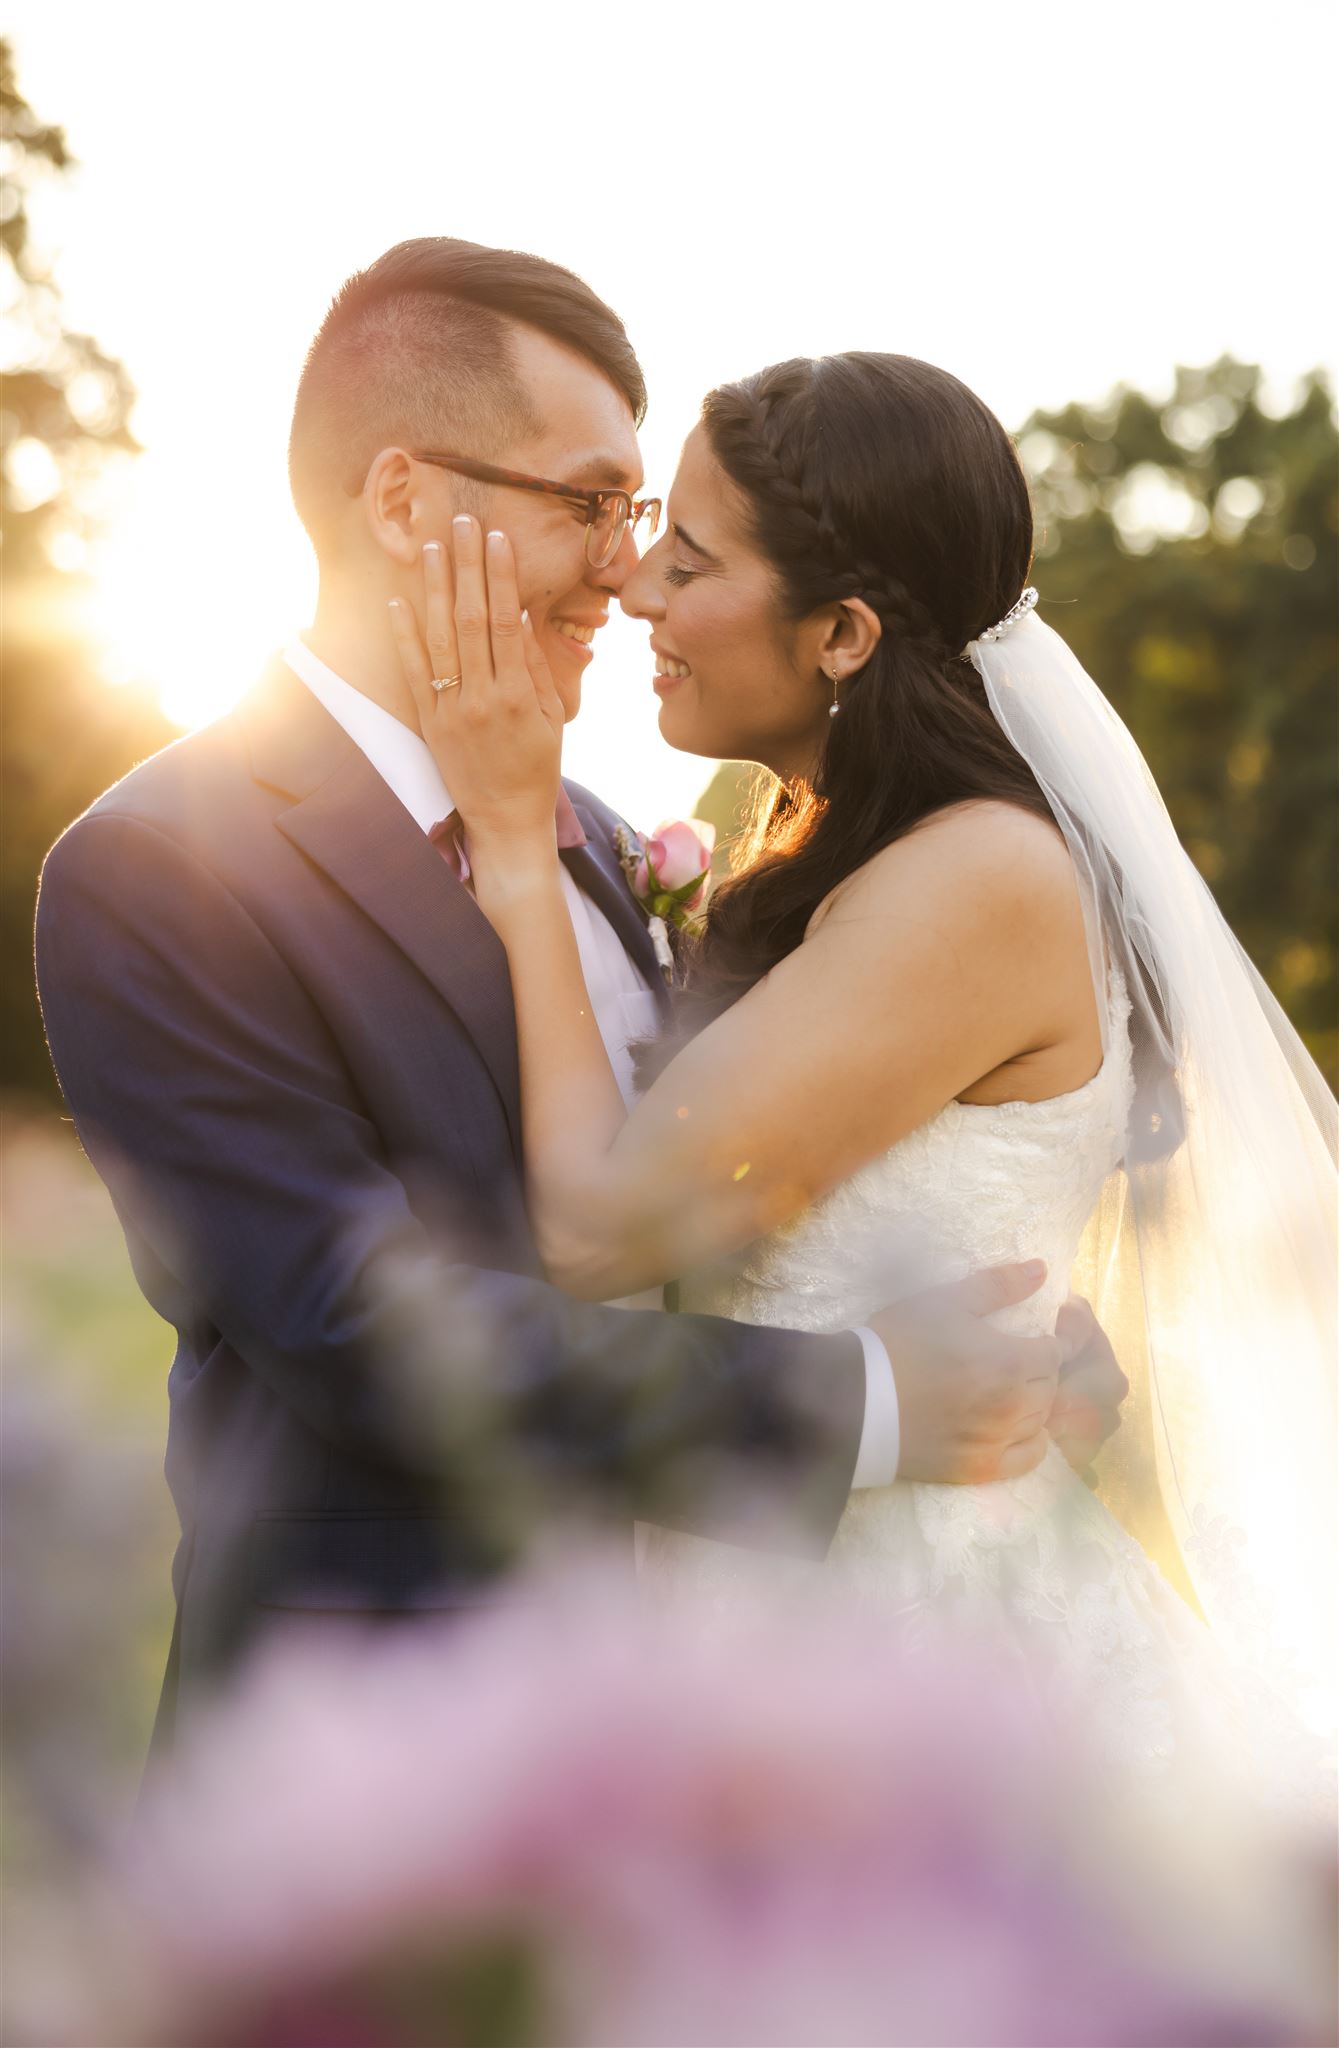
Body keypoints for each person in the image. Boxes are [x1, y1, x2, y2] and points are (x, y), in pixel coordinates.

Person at [33, 242, 1122, 1755]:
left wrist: (1024, 1334)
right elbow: (360, 1331)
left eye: (644, 518)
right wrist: (867, 1399)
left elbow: (748, 1188)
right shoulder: (160, 871)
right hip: (375, 1756)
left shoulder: (612, 843)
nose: (627, 566)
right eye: (590, 504)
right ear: (407, 502)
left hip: (702, 1724)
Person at [386, 347, 1337, 1798]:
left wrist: (513, 836)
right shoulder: (848, 855)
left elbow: (594, 1230)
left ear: (841, 634)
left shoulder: (981, 881)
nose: (636, 588)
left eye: (689, 559)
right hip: (778, 1582)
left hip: (910, 1641)